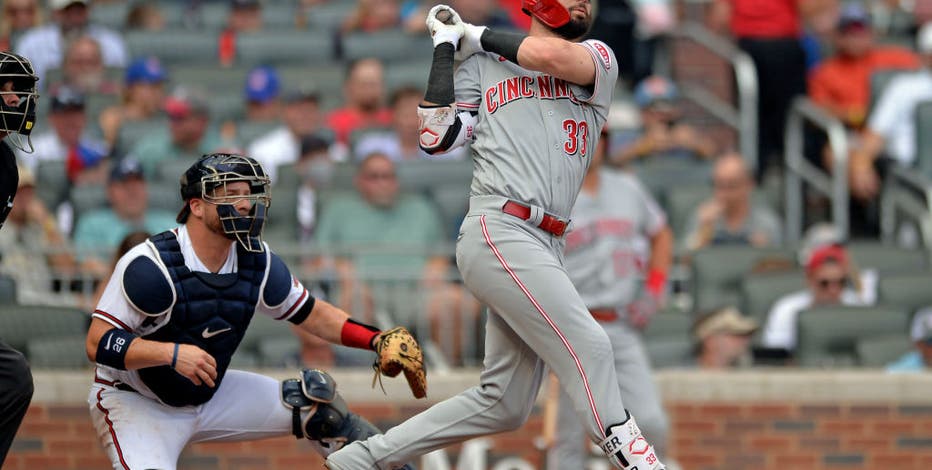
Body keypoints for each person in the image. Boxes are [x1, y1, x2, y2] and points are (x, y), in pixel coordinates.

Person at [328, 2, 665, 469]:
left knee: (504, 403)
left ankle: (364, 458)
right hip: (500, 226)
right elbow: (435, 138)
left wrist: (475, 33)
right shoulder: (483, 66)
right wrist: (446, 50)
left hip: (547, 241)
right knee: (591, 344)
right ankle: (640, 462)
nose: (584, 2)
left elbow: (551, 58)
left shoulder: (599, 57)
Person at [85, 153, 421, 470]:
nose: (245, 204)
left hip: (208, 391)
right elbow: (97, 343)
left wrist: (375, 339)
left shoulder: (256, 259)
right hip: (137, 400)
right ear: (197, 206)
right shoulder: (152, 265)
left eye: (247, 193)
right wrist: (170, 353)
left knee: (320, 408)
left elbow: (311, 313)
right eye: (230, 194)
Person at [547, 128, 673, 469]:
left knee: (653, 422)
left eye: (601, 136)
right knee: (569, 436)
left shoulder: (628, 187)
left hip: (621, 324)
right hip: (576, 328)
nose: (594, 144)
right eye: (585, 136)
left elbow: (661, 233)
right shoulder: (552, 191)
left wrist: (654, 287)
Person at [314, 152, 480, 363]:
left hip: (416, 292)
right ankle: (369, 378)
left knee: (458, 301)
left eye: (388, 176)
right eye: (374, 177)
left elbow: (440, 255)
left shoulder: (420, 208)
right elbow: (315, 259)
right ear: (359, 181)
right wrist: (339, 267)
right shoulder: (338, 209)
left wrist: (436, 268)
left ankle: (440, 375)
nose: (383, 183)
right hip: (363, 290)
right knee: (354, 299)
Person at [0, 50, 39, 469]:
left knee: (11, 378)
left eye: (20, 92)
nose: (16, 100)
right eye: (7, 91)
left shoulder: (6, 165)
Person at [847, 22, 932, 202]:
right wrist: (861, 163)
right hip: (911, 175)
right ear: (925, 55)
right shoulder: (905, 87)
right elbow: (875, 135)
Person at [807, 4, 919, 130]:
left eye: (861, 30)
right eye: (848, 32)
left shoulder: (894, 58)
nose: (856, 37)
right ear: (838, 37)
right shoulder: (825, 72)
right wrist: (855, 115)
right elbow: (818, 109)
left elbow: (923, 68)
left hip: (895, 129)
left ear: (871, 34)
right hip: (852, 132)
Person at [71, 158, 177, 279]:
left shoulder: (170, 223)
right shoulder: (91, 223)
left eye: (137, 184)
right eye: (124, 185)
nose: (132, 191)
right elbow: (86, 264)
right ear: (110, 191)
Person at [760, 243, 871, 354]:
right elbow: (775, 353)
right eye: (824, 283)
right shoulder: (787, 309)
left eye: (841, 282)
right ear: (809, 280)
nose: (833, 290)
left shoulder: (857, 307)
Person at [0, 165, 76, 305]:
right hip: (9, 302)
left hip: (44, 300)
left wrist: (46, 222)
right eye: (18, 192)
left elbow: (68, 272)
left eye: (28, 193)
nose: (24, 199)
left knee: (86, 303)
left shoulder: (44, 226)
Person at [682, 152, 782, 251]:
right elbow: (685, 259)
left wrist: (763, 250)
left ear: (749, 185)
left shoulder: (766, 223)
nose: (724, 194)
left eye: (731, 186)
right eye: (719, 185)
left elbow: (780, 262)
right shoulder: (702, 218)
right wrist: (704, 232)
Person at [15, 0, 128, 84]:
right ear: (56, 12)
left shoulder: (112, 43)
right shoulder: (31, 43)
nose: (74, 17)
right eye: (68, 10)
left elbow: (118, 85)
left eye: (79, 10)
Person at [612, 75, 716, 166]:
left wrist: (694, 144)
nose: (662, 117)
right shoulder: (630, 136)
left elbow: (713, 154)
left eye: (667, 110)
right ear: (643, 113)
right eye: (654, 111)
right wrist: (644, 146)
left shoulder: (683, 133)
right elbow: (611, 161)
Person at [130, 85, 229, 177]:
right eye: (171, 117)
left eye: (179, 117)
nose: (172, 123)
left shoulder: (223, 152)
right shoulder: (150, 149)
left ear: (202, 121)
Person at [353, 85, 467, 161]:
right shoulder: (370, 148)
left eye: (419, 115)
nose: (412, 122)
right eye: (406, 114)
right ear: (392, 116)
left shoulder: (449, 152)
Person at [247, 84, 329, 183]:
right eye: (299, 109)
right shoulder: (263, 151)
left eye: (311, 108)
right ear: (284, 112)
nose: (306, 115)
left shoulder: (333, 148)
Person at [99, 57, 169, 149]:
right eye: (152, 86)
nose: (158, 93)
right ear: (131, 88)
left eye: (160, 86)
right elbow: (105, 153)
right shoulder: (114, 119)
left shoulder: (166, 118)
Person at [326, 58, 393, 146]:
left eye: (374, 84)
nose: (369, 90)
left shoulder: (393, 119)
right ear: (348, 87)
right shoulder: (334, 123)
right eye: (364, 84)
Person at [691, 306, 759, 369]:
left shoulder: (747, 373)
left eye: (747, 335)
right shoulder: (685, 374)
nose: (745, 340)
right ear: (710, 341)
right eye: (735, 334)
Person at [52, 35, 121, 96]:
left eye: (92, 62)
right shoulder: (54, 95)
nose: (85, 68)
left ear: (102, 66)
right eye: (78, 62)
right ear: (65, 65)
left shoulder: (116, 95)